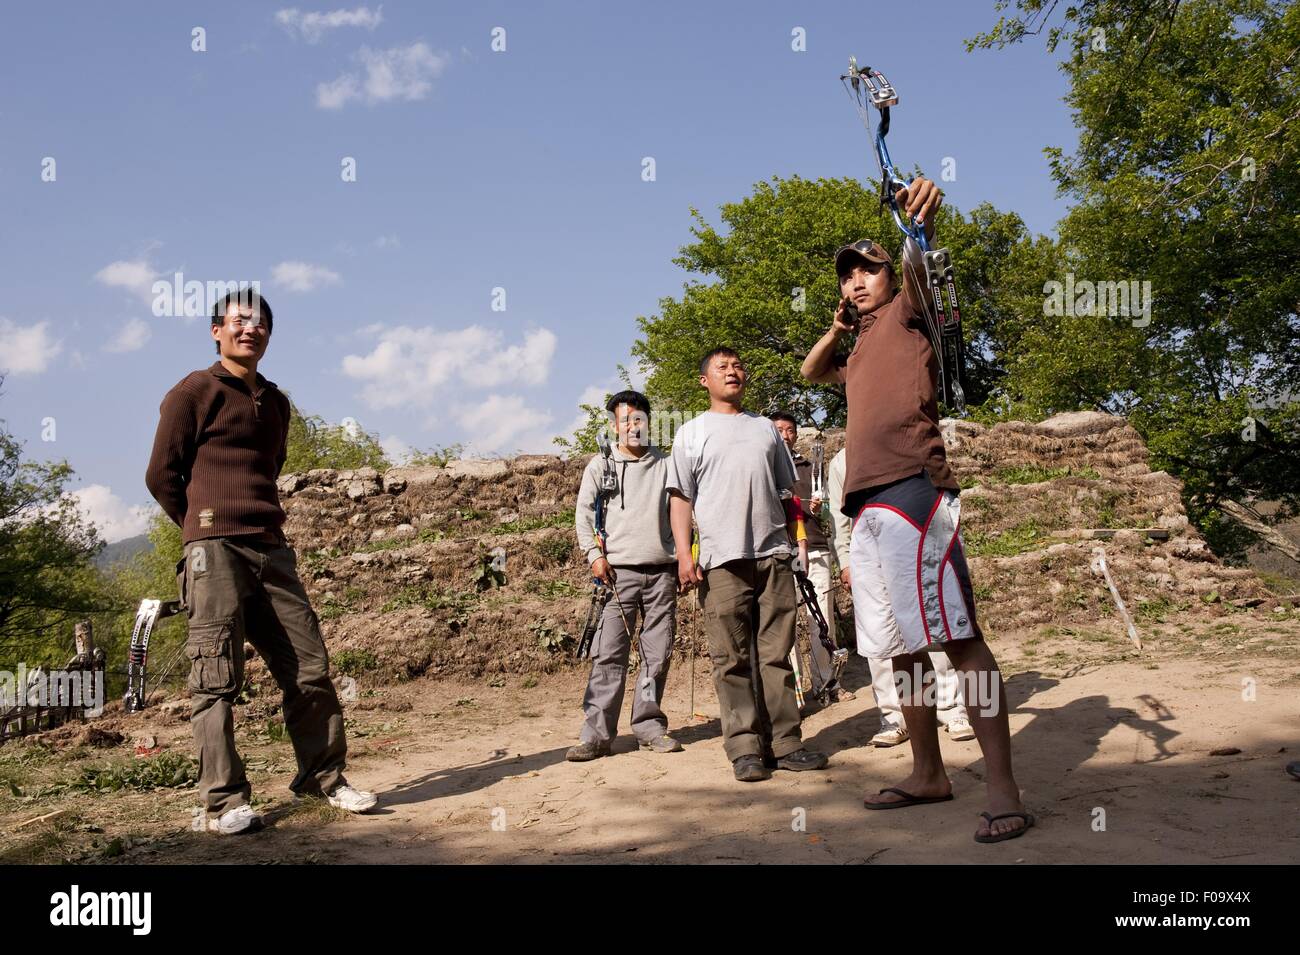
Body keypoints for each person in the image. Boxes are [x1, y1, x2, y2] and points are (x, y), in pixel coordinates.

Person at [800, 175, 1033, 843]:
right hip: (863, 509)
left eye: (865, 270)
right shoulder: (860, 343)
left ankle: (1003, 784)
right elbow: (814, 370)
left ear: (885, 273)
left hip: (913, 490)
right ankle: (928, 770)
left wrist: (918, 223)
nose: (855, 282)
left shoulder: (909, 311)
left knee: (958, 637)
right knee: (897, 647)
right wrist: (839, 326)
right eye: (846, 277)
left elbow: (923, 262)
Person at [145, 290, 375, 835]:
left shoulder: (275, 402)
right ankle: (224, 802)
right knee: (216, 677)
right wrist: (200, 528)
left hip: (271, 550)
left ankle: (324, 778)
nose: (251, 329)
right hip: (213, 551)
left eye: (262, 322)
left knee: (310, 667)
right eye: (239, 321)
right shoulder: (193, 392)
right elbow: (161, 476)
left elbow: (270, 468)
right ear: (216, 330)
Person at [667, 348, 828, 782]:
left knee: (777, 654)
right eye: (722, 368)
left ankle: (786, 742)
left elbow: (784, 490)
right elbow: (680, 499)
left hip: (771, 554)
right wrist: (685, 554)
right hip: (721, 560)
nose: (733, 372)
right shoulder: (691, 432)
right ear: (705, 381)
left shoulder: (765, 430)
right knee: (730, 657)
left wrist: (793, 543)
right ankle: (744, 747)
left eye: (738, 366)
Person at [825, 448, 974, 744]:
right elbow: (838, 518)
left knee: (936, 629)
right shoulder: (843, 460)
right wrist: (844, 561)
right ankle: (893, 716)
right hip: (870, 553)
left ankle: (951, 707)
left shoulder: (911, 441)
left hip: (919, 545)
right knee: (882, 641)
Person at [568, 390, 681, 760]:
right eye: (625, 419)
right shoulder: (600, 466)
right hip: (616, 574)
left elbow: (683, 513)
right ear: (614, 426)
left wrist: (685, 557)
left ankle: (649, 726)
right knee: (609, 653)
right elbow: (583, 516)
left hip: (663, 571)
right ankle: (597, 735)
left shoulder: (668, 464)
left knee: (657, 653)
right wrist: (593, 557)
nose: (632, 426)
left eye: (639, 419)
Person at [770, 413, 854, 705]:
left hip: (815, 546)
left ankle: (827, 683)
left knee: (821, 619)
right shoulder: (763, 465)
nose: (785, 434)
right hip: (778, 550)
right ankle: (792, 691)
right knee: (783, 623)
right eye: (778, 429)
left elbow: (831, 507)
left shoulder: (810, 467)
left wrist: (820, 507)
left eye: (790, 430)